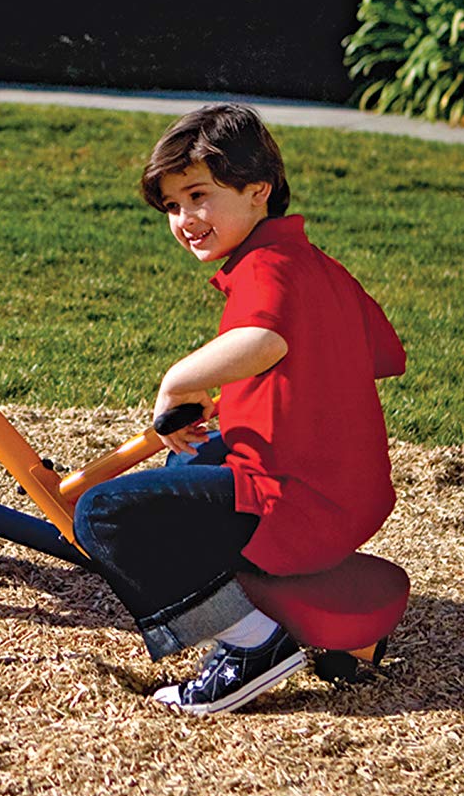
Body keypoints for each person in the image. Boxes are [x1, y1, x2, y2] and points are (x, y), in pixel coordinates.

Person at [71, 104, 409, 714]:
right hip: (348, 494)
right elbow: (381, 352)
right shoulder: (319, 268)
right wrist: (279, 394)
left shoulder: (267, 268)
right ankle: (323, 635)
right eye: (173, 206)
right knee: (193, 459)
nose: (184, 220)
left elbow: (265, 341)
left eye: (198, 195)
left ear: (259, 191)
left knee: (102, 515)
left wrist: (179, 380)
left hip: (296, 501)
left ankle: (252, 645)